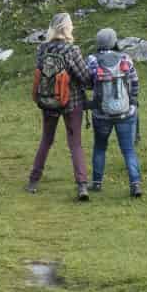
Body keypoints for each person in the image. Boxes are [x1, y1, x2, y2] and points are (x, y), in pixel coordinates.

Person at [27, 12, 91, 202]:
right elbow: (85, 78)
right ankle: (82, 186)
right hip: (72, 103)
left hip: (48, 102)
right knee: (75, 144)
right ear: (66, 27)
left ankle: (33, 181)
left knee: (46, 140)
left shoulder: (42, 49)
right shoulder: (72, 50)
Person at [84, 27, 141, 197]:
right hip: (126, 113)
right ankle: (135, 184)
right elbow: (135, 82)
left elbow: (88, 83)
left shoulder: (93, 60)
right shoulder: (125, 58)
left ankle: (96, 183)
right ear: (114, 41)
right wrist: (132, 102)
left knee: (100, 147)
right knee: (129, 150)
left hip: (101, 114)